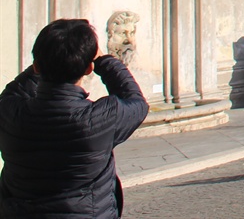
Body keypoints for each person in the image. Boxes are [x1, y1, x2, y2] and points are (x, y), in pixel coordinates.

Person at [0, 18, 149, 218]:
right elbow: (136, 102)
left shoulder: (10, 112)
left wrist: (49, 60)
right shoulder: (101, 117)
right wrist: (103, 61)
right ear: (88, 69)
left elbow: (14, 92)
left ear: (36, 66)